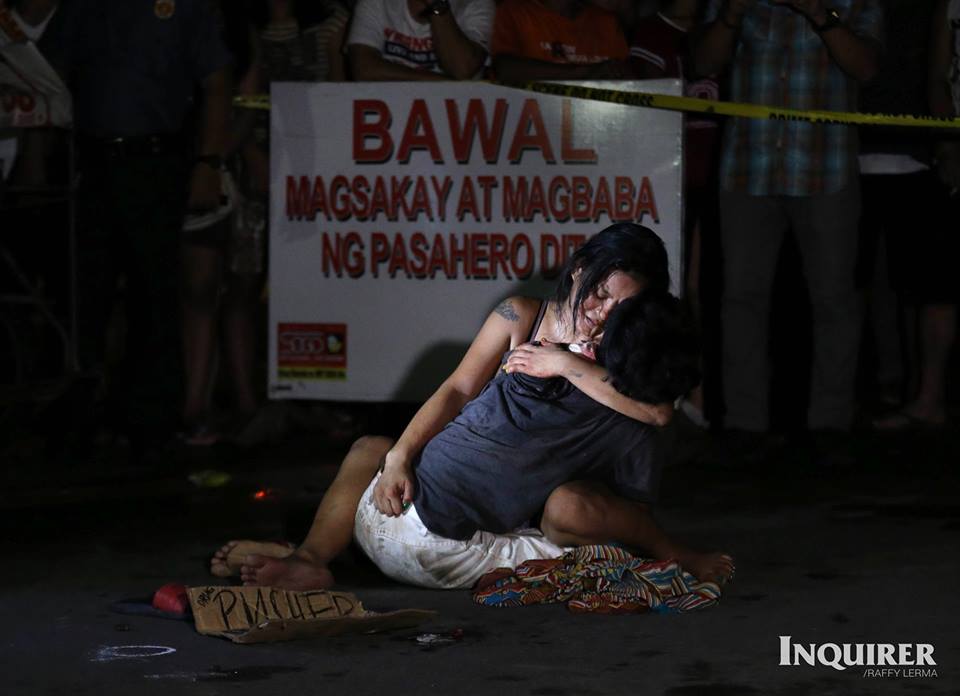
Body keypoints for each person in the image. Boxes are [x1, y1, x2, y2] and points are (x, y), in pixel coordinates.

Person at [211, 223, 734, 590]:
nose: (598, 317)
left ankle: (319, 549)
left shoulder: (621, 358)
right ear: (577, 271)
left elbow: (660, 412)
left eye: (621, 308)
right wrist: (399, 459)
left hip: (528, 507)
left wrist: (565, 366)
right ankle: (309, 557)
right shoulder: (519, 315)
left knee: (570, 506)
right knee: (373, 448)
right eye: (597, 295)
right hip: (474, 496)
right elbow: (458, 390)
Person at [40, 0, 232, 458]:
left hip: (157, 162)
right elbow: (46, 73)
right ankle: (83, 414)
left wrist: (208, 162)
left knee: (155, 295)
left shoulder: (186, 7)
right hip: (90, 164)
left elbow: (218, 82)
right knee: (85, 292)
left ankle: (151, 422)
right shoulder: (83, 8)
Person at [694, 0, 883, 443]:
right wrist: (731, 15)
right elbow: (703, 62)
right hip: (747, 166)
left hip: (826, 166)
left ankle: (830, 424)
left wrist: (821, 15)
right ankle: (745, 425)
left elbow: (868, 67)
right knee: (741, 299)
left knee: (834, 299)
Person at [630, 0, 722, 428]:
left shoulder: (716, 34)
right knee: (670, 292)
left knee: (700, 294)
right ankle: (668, 395)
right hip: (668, 187)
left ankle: (699, 400)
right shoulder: (650, 35)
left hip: (713, 184)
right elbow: (651, 108)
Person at [872, 0, 957, 428]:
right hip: (946, 158)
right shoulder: (948, 7)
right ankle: (929, 400)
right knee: (939, 285)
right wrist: (947, 143)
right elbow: (938, 77)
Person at [490, 0, 631, 85]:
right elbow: (505, 69)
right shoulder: (514, 12)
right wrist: (582, 73)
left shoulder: (606, 21)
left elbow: (629, 78)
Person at [347, 0, 494, 81]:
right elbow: (363, 69)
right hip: (391, 115)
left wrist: (436, 5)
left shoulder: (475, 4)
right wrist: (441, 83)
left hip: (455, 121)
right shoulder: (377, 3)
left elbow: (462, 69)